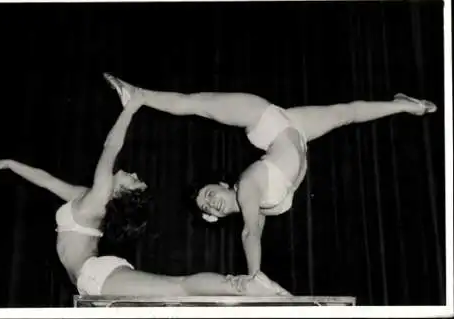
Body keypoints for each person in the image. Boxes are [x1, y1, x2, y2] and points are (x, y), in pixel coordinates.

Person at [103, 72, 437, 287]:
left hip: (265, 120)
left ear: (221, 183)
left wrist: (253, 278)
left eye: (208, 192)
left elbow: (249, 235)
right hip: (297, 129)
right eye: (209, 205)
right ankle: (402, 106)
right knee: (347, 113)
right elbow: (254, 228)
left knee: (199, 104)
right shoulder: (257, 206)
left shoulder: (247, 186)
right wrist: (254, 279)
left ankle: (139, 95)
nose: (211, 199)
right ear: (212, 217)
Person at [0, 83, 289, 297]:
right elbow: (46, 181)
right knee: (177, 289)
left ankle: (246, 286)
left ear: (119, 192)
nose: (133, 172)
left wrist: (132, 105)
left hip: (93, 276)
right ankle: (250, 286)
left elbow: (111, 147)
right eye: (136, 176)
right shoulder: (87, 197)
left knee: (179, 289)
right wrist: (11, 164)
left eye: (133, 179)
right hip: (93, 276)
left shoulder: (99, 195)